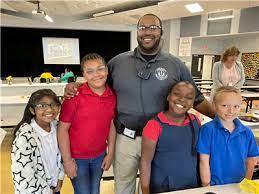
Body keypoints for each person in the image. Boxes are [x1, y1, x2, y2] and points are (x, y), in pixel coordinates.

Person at [64, 14, 215, 194]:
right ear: (137, 32)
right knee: (123, 187)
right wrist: (76, 86)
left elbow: (196, 98)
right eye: (143, 28)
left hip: (160, 140)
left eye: (153, 28)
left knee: (153, 186)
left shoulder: (175, 65)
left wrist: (221, 118)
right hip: (125, 138)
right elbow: (97, 82)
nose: (147, 32)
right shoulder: (118, 63)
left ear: (161, 32)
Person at [57, 53, 116, 194]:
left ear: (107, 70)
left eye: (100, 69)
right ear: (83, 74)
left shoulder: (112, 95)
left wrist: (110, 153)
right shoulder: (74, 96)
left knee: (95, 190)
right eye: (90, 71)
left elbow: (112, 126)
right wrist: (67, 161)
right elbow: (62, 129)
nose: (96, 74)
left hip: (99, 156)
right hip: (77, 158)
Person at [140, 81, 201, 194]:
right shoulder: (154, 125)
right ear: (168, 96)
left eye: (188, 97)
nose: (182, 99)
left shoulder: (195, 121)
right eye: (177, 94)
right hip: (163, 187)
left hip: (191, 185)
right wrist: (145, 190)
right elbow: (145, 162)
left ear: (193, 103)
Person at [197, 86, 259, 186]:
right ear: (214, 105)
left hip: (239, 185)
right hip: (215, 186)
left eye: (236, 106)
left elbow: (250, 160)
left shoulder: (246, 132)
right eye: (225, 105)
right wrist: (206, 185)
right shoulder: (207, 130)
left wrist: (247, 182)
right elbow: (203, 161)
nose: (231, 111)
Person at [11, 89, 64, 194]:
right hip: (34, 191)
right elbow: (24, 175)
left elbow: (62, 156)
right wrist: (47, 191)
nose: (49, 110)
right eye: (42, 106)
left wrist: (60, 177)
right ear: (32, 110)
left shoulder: (58, 128)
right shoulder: (25, 136)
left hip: (54, 188)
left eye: (53, 104)